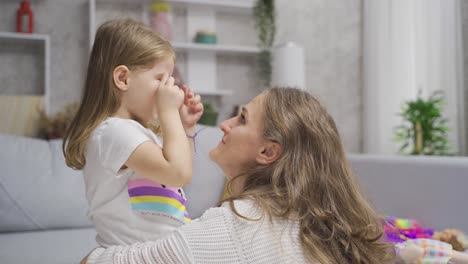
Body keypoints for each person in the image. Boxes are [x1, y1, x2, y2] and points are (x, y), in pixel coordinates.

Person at [81, 87, 395, 264]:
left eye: (242, 119)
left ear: (268, 153)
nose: (225, 124)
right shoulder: (311, 224)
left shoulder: (239, 225)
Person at [63, 18, 203, 248]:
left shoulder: (133, 133)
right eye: (160, 78)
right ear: (123, 78)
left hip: (160, 251)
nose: (169, 87)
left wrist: (186, 127)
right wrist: (169, 111)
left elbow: (176, 173)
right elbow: (178, 173)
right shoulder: (113, 133)